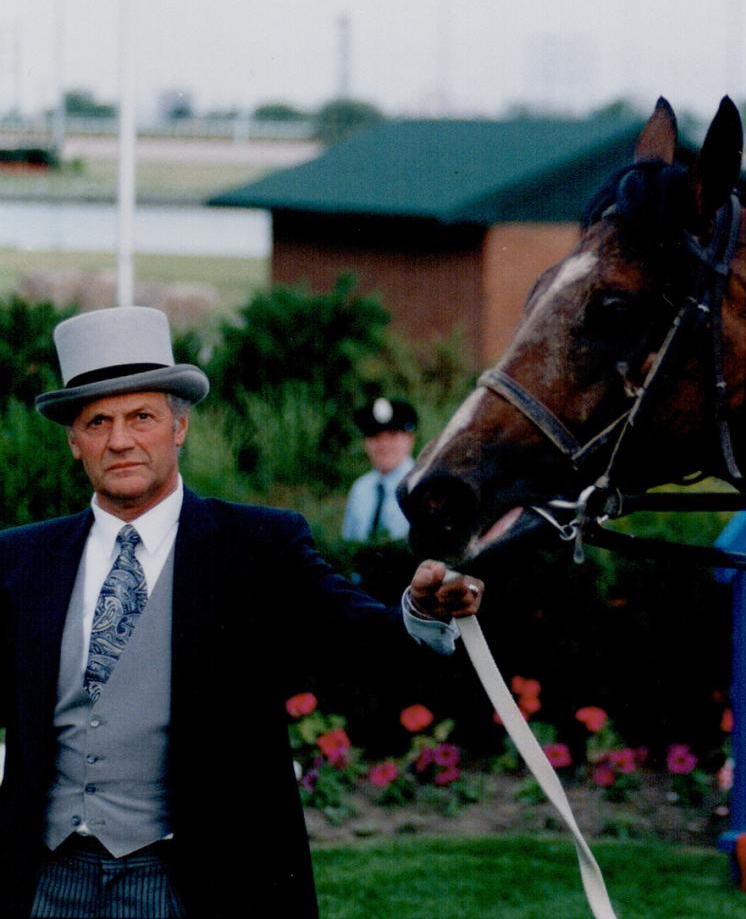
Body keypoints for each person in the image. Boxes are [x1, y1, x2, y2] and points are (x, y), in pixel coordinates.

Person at [0, 306, 485, 918]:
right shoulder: (19, 559)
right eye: (98, 421)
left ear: (179, 427)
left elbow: (361, 638)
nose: (119, 440)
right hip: (45, 883)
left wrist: (420, 609)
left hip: (196, 880)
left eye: (141, 416)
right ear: (74, 441)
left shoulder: (258, 545)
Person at [341, 397, 418, 543]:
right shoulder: (360, 489)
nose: (384, 445)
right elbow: (347, 548)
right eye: (375, 436)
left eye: (392, 436)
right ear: (365, 443)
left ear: (410, 439)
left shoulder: (423, 487)